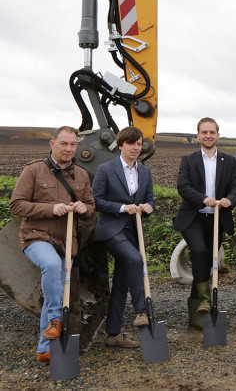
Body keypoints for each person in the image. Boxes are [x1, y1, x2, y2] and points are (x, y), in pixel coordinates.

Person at [9, 126, 95, 363]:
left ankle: (44, 349)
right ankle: (57, 319)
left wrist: (83, 208)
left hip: (66, 241)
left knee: (54, 287)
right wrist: (50, 209)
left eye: (72, 144)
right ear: (52, 144)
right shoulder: (34, 170)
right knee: (52, 266)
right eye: (64, 144)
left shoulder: (81, 174)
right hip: (36, 236)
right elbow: (16, 205)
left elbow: (90, 206)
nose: (69, 149)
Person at [175, 117, 236, 328]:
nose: (208, 136)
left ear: (218, 135)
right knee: (200, 251)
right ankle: (205, 300)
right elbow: (183, 187)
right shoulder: (189, 160)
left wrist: (229, 200)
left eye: (212, 132)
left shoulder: (229, 162)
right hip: (193, 217)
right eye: (204, 132)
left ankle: (197, 315)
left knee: (207, 260)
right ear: (198, 136)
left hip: (217, 219)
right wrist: (203, 199)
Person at [93, 126, 155, 349]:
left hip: (133, 231)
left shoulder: (145, 172)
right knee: (136, 260)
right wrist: (122, 207)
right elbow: (97, 201)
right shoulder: (105, 169)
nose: (136, 148)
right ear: (120, 145)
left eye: (139, 144)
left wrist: (148, 207)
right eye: (131, 144)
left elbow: (150, 200)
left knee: (120, 284)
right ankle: (142, 310)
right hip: (112, 230)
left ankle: (113, 334)